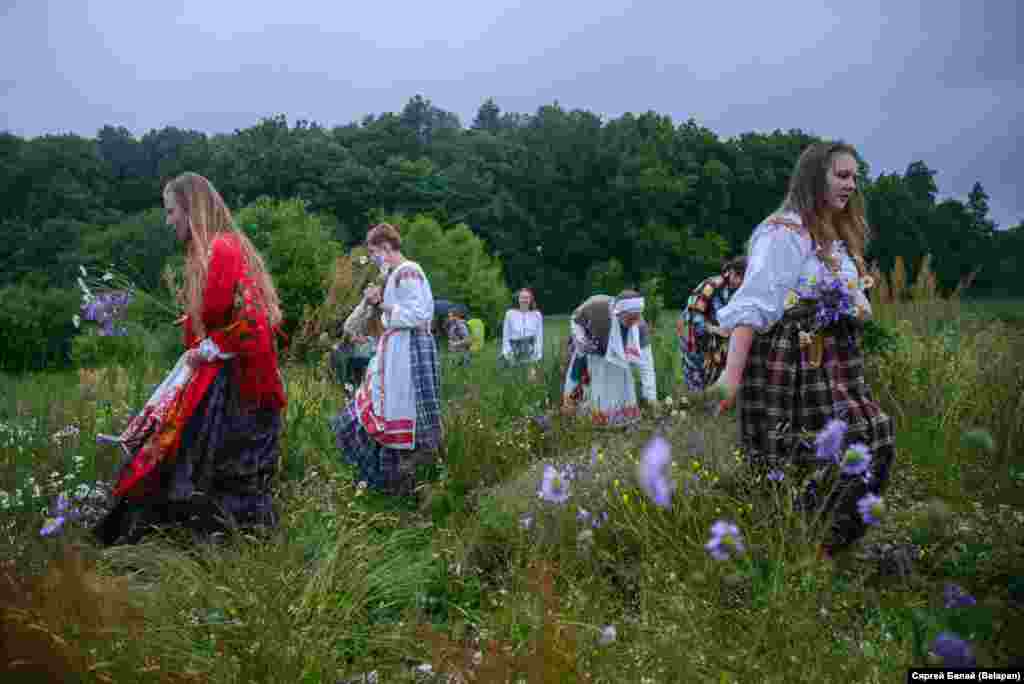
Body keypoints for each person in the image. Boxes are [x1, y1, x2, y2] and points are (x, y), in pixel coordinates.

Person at [712, 141, 894, 560]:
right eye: (842, 175)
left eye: (854, 176)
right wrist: (730, 379)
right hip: (790, 361)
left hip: (837, 362)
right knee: (803, 454)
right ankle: (799, 547)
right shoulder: (784, 232)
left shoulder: (836, 235)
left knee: (874, 437)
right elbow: (753, 305)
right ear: (815, 177)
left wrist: (856, 306)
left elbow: (853, 296)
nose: (851, 184)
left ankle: (826, 545)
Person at [95, 172, 286, 545]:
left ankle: (217, 554)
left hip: (236, 387)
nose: (168, 221)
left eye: (171, 211)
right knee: (208, 470)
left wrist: (210, 346)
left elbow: (252, 322)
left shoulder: (222, 249)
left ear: (191, 209)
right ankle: (225, 552)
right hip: (232, 380)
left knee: (210, 468)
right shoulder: (217, 249)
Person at [330, 223, 442, 496]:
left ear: (386, 247)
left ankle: (414, 475)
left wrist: (381, 304)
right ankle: (395, 478)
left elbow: (418, 314)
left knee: (403, 406)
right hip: (397, 348)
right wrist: (376, 302)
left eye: (374, 252)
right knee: (389, 405)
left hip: (410, 349)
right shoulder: (394, 275)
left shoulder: (408, 271)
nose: (374, 258)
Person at [561, 289, 658, 428]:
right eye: (630, 318)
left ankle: (617, 424)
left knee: (618, 392)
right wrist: (581, 339)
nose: (633, 323)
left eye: (636, 318)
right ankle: (581, 422)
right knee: (586, 390)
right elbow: (576, 319)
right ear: (619, 312)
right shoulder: (596, 306)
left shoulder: (639, 327)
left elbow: (646, 365)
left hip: (618, 362)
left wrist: (651, 398)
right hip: (591, 352)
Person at [676, 257, 747, 392]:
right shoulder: (711, 286)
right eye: (737, 275)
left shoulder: (742, 291)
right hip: (696, 344)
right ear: (730, 271)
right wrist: (714, 329)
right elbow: (692, 315)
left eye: (742, 278)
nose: (738, 281)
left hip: (719, 349)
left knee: (715, 389)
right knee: (696, 388)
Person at [501, 288, 544, 368]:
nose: (524, 300)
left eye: (527, 298)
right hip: (514, 349)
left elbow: (539, 337)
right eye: (522, 297)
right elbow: (506, 336)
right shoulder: (510, 314)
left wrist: (537, 355)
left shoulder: (537, 315)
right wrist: (507, 353)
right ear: (518, 299)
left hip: (530, 349)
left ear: (531, 300)